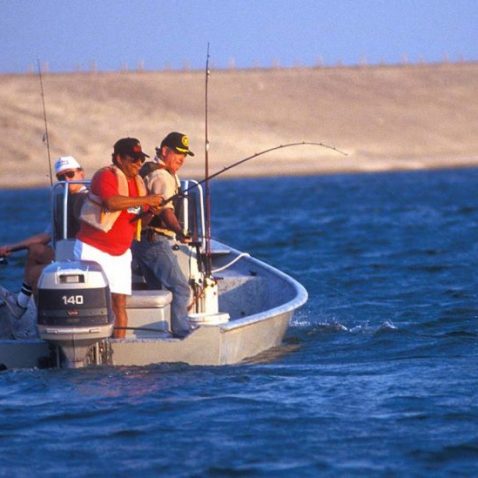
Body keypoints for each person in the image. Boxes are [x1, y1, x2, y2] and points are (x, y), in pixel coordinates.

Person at [74, 137, 163, 339]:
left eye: (141, 158)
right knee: (92, 301)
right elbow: (112, 202)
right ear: (118, 158)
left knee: (119, 302)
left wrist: (151, 211)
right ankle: (90, 344)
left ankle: (118, 348)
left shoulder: (139, 184)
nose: (139, 163)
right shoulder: (105, 176)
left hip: (121, 253)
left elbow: (142, 222)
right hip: (93, 248)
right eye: (133, 158)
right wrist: (147, 200)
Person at [0, 156, 87, 319]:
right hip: (65, 253)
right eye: (61, 177)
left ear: (81, 174)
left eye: (70, 174)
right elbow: (46, 236)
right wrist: (9, 248)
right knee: (35, 250)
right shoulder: (62, 201)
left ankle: (39, 314)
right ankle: (22, 304)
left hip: (82, 256)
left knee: (35, 273)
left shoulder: (89, 199)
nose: (66, 180)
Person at [132, 132, 195, 338]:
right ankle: (181, 332)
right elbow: (165, 210)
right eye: (178, 155)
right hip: (154, 241)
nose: (182, 160)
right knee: (181, 288)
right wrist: (181, 232)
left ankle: (158, 331)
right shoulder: (161, 176)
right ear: (165, 151)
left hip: (141, 240)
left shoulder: (154, 170)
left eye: (184, 157)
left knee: (156, 288)